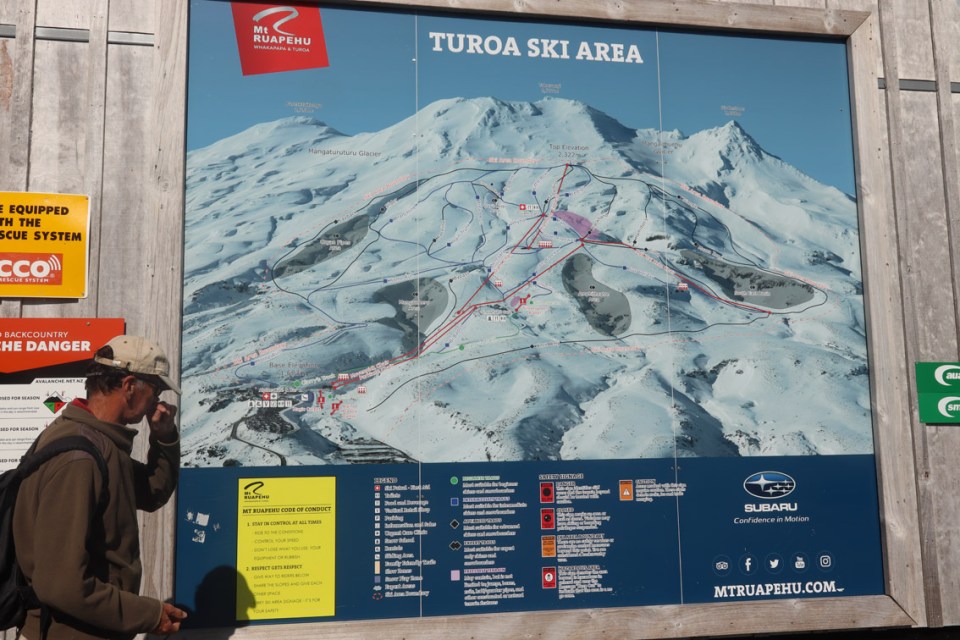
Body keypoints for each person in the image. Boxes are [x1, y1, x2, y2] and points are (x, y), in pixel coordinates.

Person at [12, 335, 188, 639]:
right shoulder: (80, 458)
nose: (157, 402)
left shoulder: (98, 442)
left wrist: (164, 436)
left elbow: (151, 491)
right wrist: (147, 614)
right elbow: (61, 584)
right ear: (130, 386)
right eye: (155, 390)